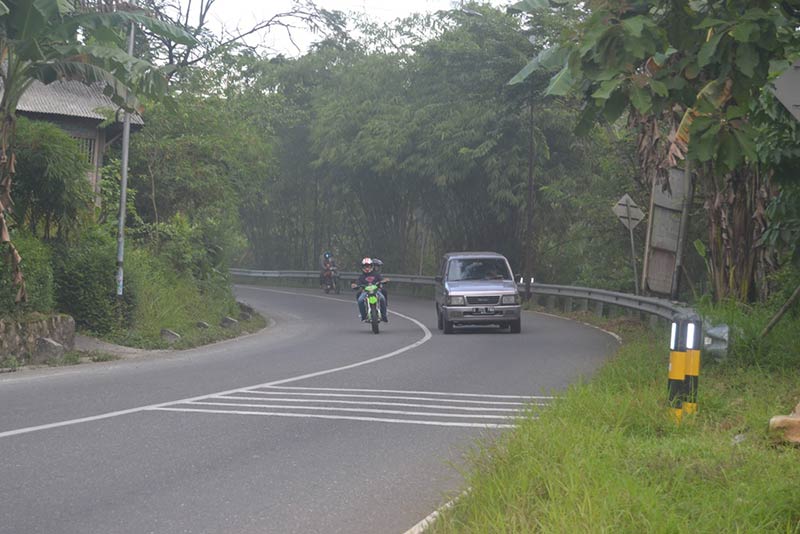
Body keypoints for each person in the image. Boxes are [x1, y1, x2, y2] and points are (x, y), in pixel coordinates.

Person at [351, 257, 388, 322]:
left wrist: (384, 280)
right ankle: (363, 315)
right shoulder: (361, 277)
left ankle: (384, 315)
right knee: (360, 300)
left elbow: (382, 279)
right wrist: (355, 285)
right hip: (365, 292)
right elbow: (357, 283)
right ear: (363, 267)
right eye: (365, 266)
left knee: (382, 298)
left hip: (376, 291)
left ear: (371, 266)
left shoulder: (376, 274)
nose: (367, 268)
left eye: (369, 266)